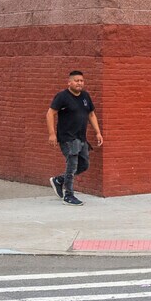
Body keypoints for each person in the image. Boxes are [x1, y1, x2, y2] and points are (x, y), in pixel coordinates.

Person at [47, 69, 100, 204]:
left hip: (81, 138)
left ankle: (59, 180)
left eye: (81, 81)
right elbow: (50, 113)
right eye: (76, 81)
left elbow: (91, 114)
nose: (79, 83)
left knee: (84, 165)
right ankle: (68, 195)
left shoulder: (85, 96)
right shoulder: (62, 97)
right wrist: (52, 134)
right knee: (72, 165)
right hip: (67, 138)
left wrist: (98, 132)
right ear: (69, 82)